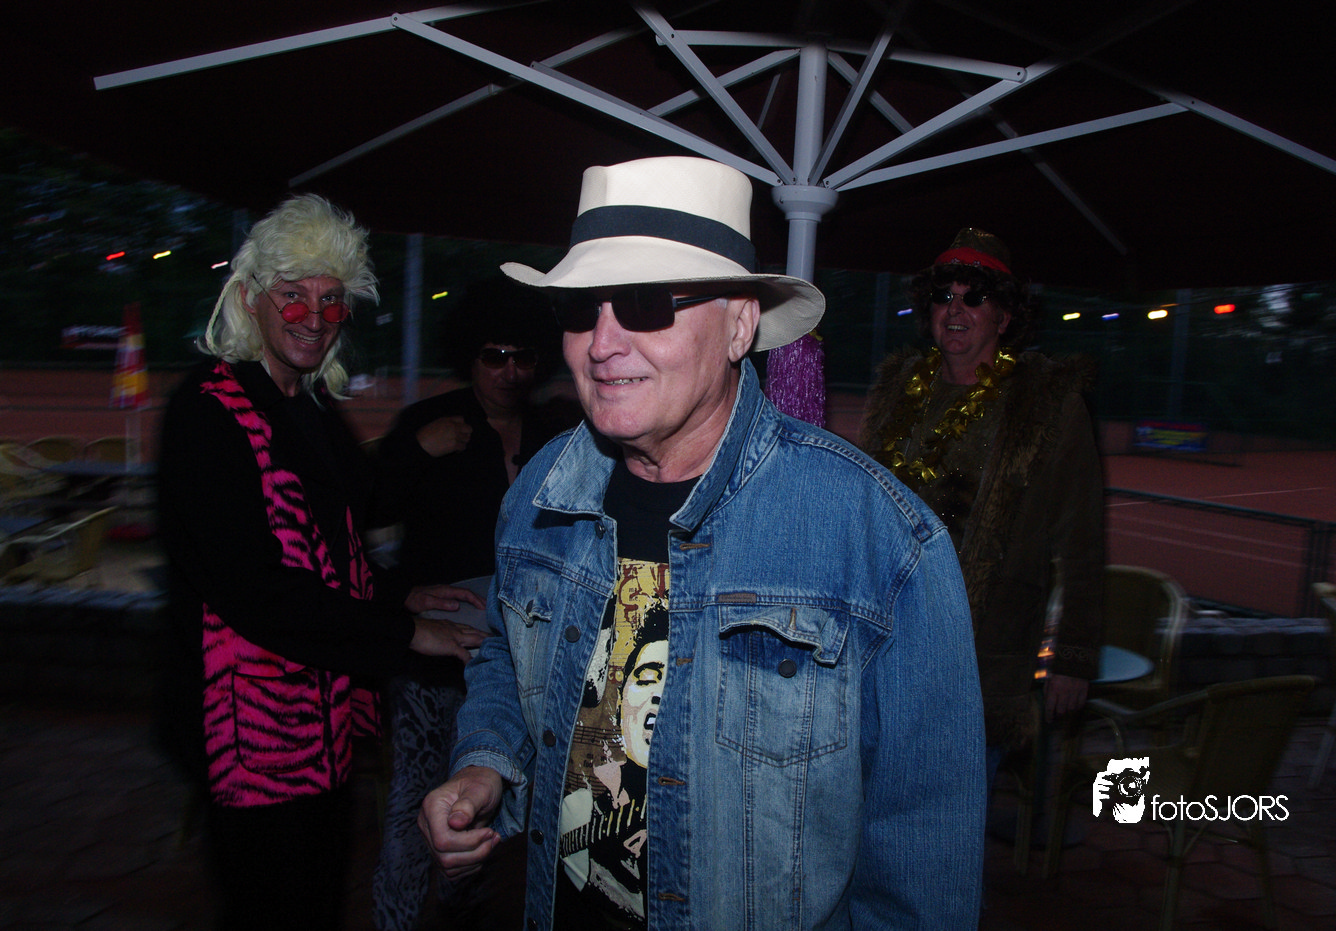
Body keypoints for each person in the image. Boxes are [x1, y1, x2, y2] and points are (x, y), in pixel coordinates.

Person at [418, 155, 986, 930]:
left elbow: (924, 845)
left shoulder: (876, 538)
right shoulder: (540, 492)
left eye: (646, 303)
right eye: (581, 308)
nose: (601, 343)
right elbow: (504, 654)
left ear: (739, 324)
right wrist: (485, 761)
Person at [156, 193, 483, 931]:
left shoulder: (304, 405)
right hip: (245, 730)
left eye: (331, 300)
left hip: (320, 716)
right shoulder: (207, 411)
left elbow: (339, 543)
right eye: (293, 295)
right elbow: (255, 588)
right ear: (250, 298)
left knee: (316, 895)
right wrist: (405, 632)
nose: (313, 316)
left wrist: (400, 595)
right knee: (272, 905)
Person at [860, 227, 1105, 796]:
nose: (955, 310)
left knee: (947, 821)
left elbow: (1082, 540)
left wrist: (1073, 658)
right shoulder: (900, 392)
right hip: (886, 643)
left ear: (1005, 316)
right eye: (944, 296)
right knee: (871, 815)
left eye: (975, 297)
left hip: (980, 654)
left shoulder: (1047, 407)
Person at [370, 280, 579, 931]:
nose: (510, 371)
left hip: (523, 653)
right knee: (418, 799)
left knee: (493, 801)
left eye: (523, 356)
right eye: (495, 355)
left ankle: (461, 915)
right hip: (434, 656)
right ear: (469, 355)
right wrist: (415, 450)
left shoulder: (558, 432)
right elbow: (353, 519)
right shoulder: (429, 423)